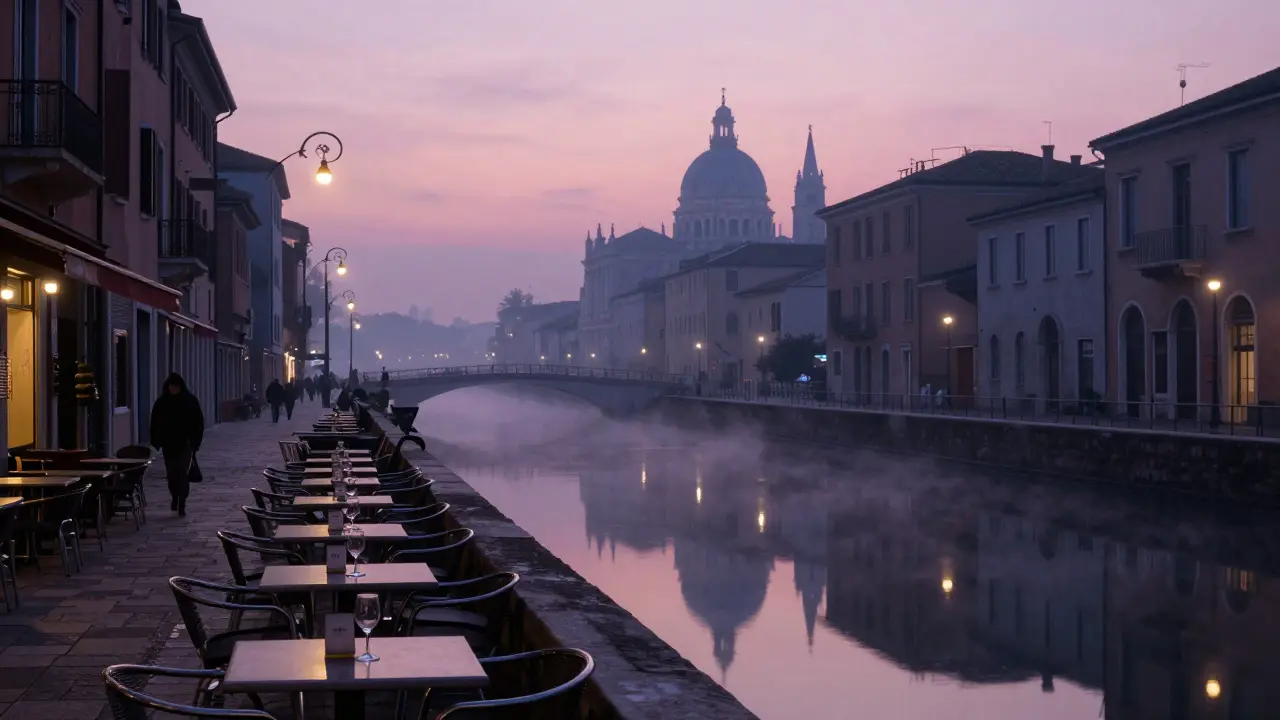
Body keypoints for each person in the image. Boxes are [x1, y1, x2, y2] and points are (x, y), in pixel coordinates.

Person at [149, 373, 204, 517]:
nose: (174, 389)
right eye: (171, 387)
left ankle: (182, 502)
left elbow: (198, 422)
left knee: (182, 472)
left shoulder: (190, 401)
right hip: (169, 444)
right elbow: (155, 422)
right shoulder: (162, 403)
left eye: (176, 387)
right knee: (171, 473)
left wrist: (195, 442)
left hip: (185, 444)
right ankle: (174, 495)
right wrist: (156, 440)